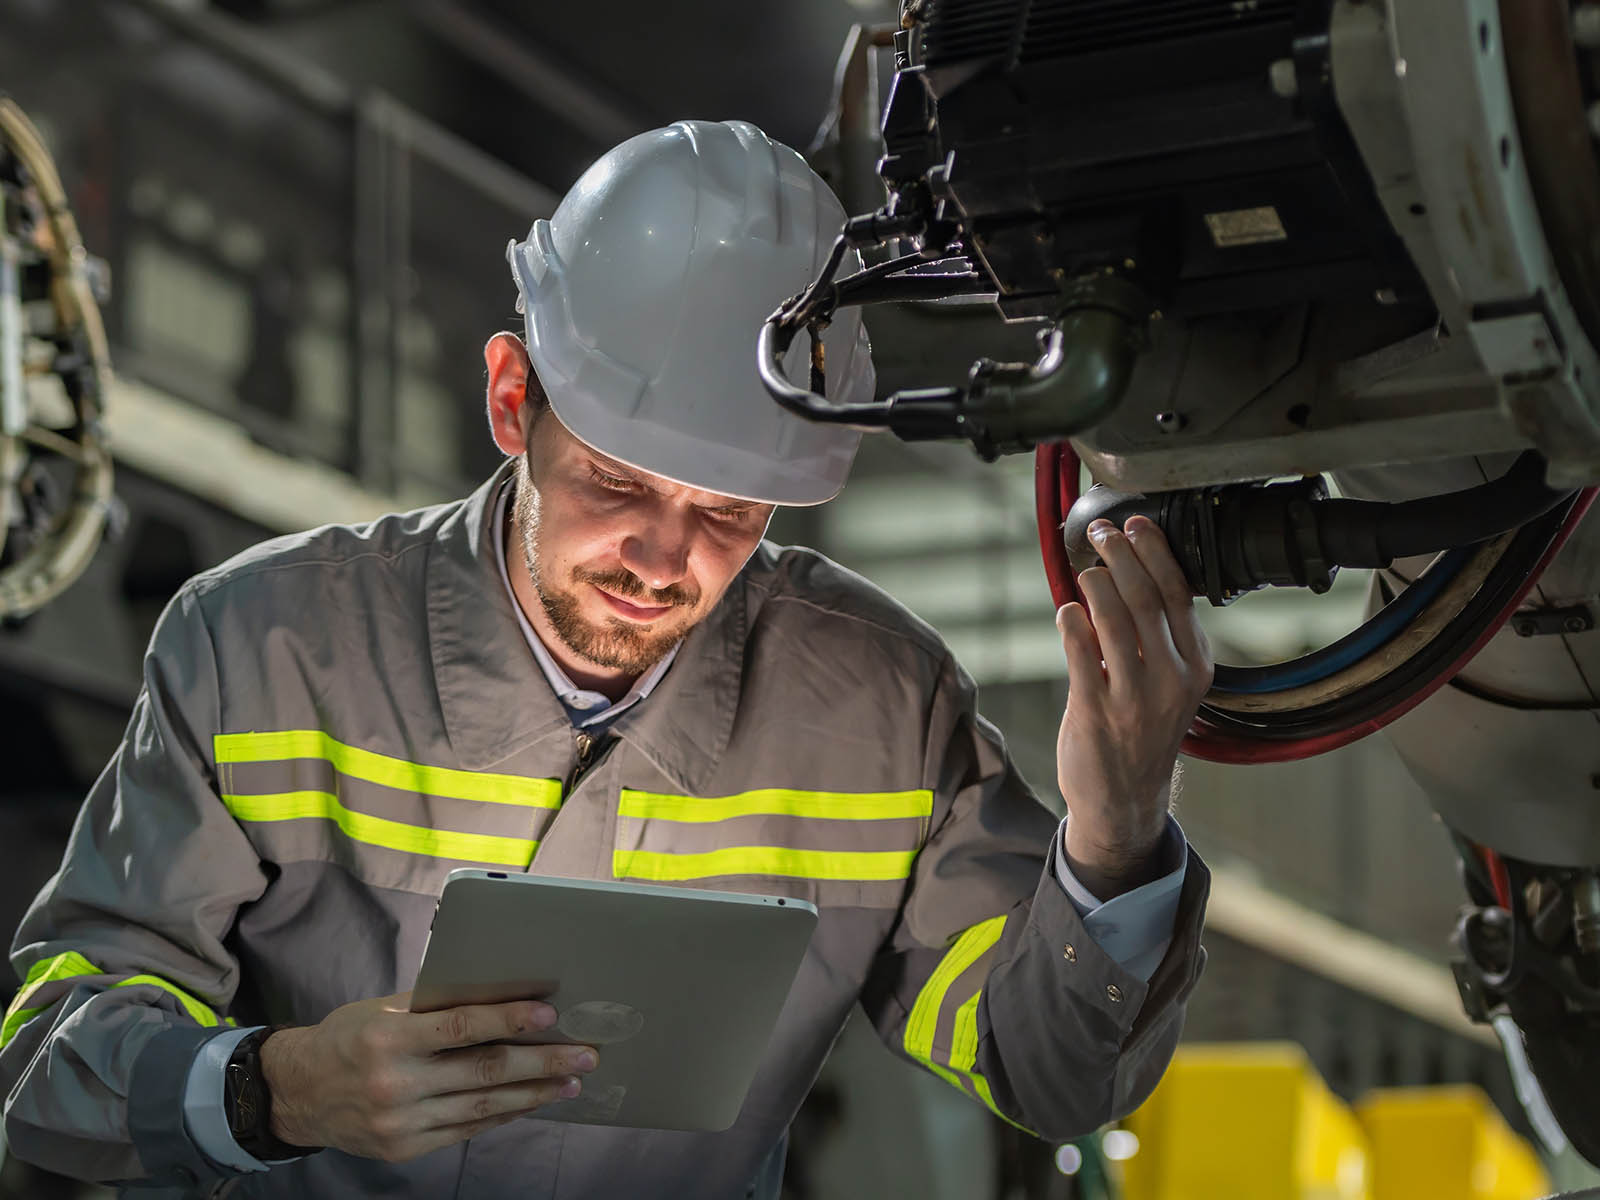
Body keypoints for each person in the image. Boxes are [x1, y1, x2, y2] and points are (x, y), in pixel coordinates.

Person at [0, 120, 1212, 1199]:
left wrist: (1113, 838)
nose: (663, 558)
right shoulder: (260, 648)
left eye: (732, 512)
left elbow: (1047, 1077)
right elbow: (46, 1053)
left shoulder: (883, 711)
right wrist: (274, 1089)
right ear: (511, 397)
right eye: (617, 482)